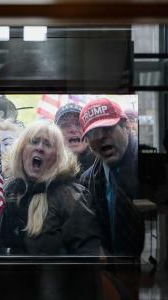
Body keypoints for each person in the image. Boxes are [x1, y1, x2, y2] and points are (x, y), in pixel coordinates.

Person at [0, 121, 100, 256]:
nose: (40, 148)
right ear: (21, 150)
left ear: (57, 157)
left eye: (48, 144)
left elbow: (88, 256)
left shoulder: (71, 197)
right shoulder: (6, 191)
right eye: (34, 142)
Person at [79, 98, 144, 300]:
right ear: (89, 144)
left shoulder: (149, 165)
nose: (101, 138)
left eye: (107, 128)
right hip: (112, 277)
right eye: (93, 134)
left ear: (125, 126)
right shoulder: (88, 179)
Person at [55, 103, 96, 174]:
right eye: (65, 125)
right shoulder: (47, 167)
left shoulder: (102, 164)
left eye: (79, 124)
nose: (73, 130)